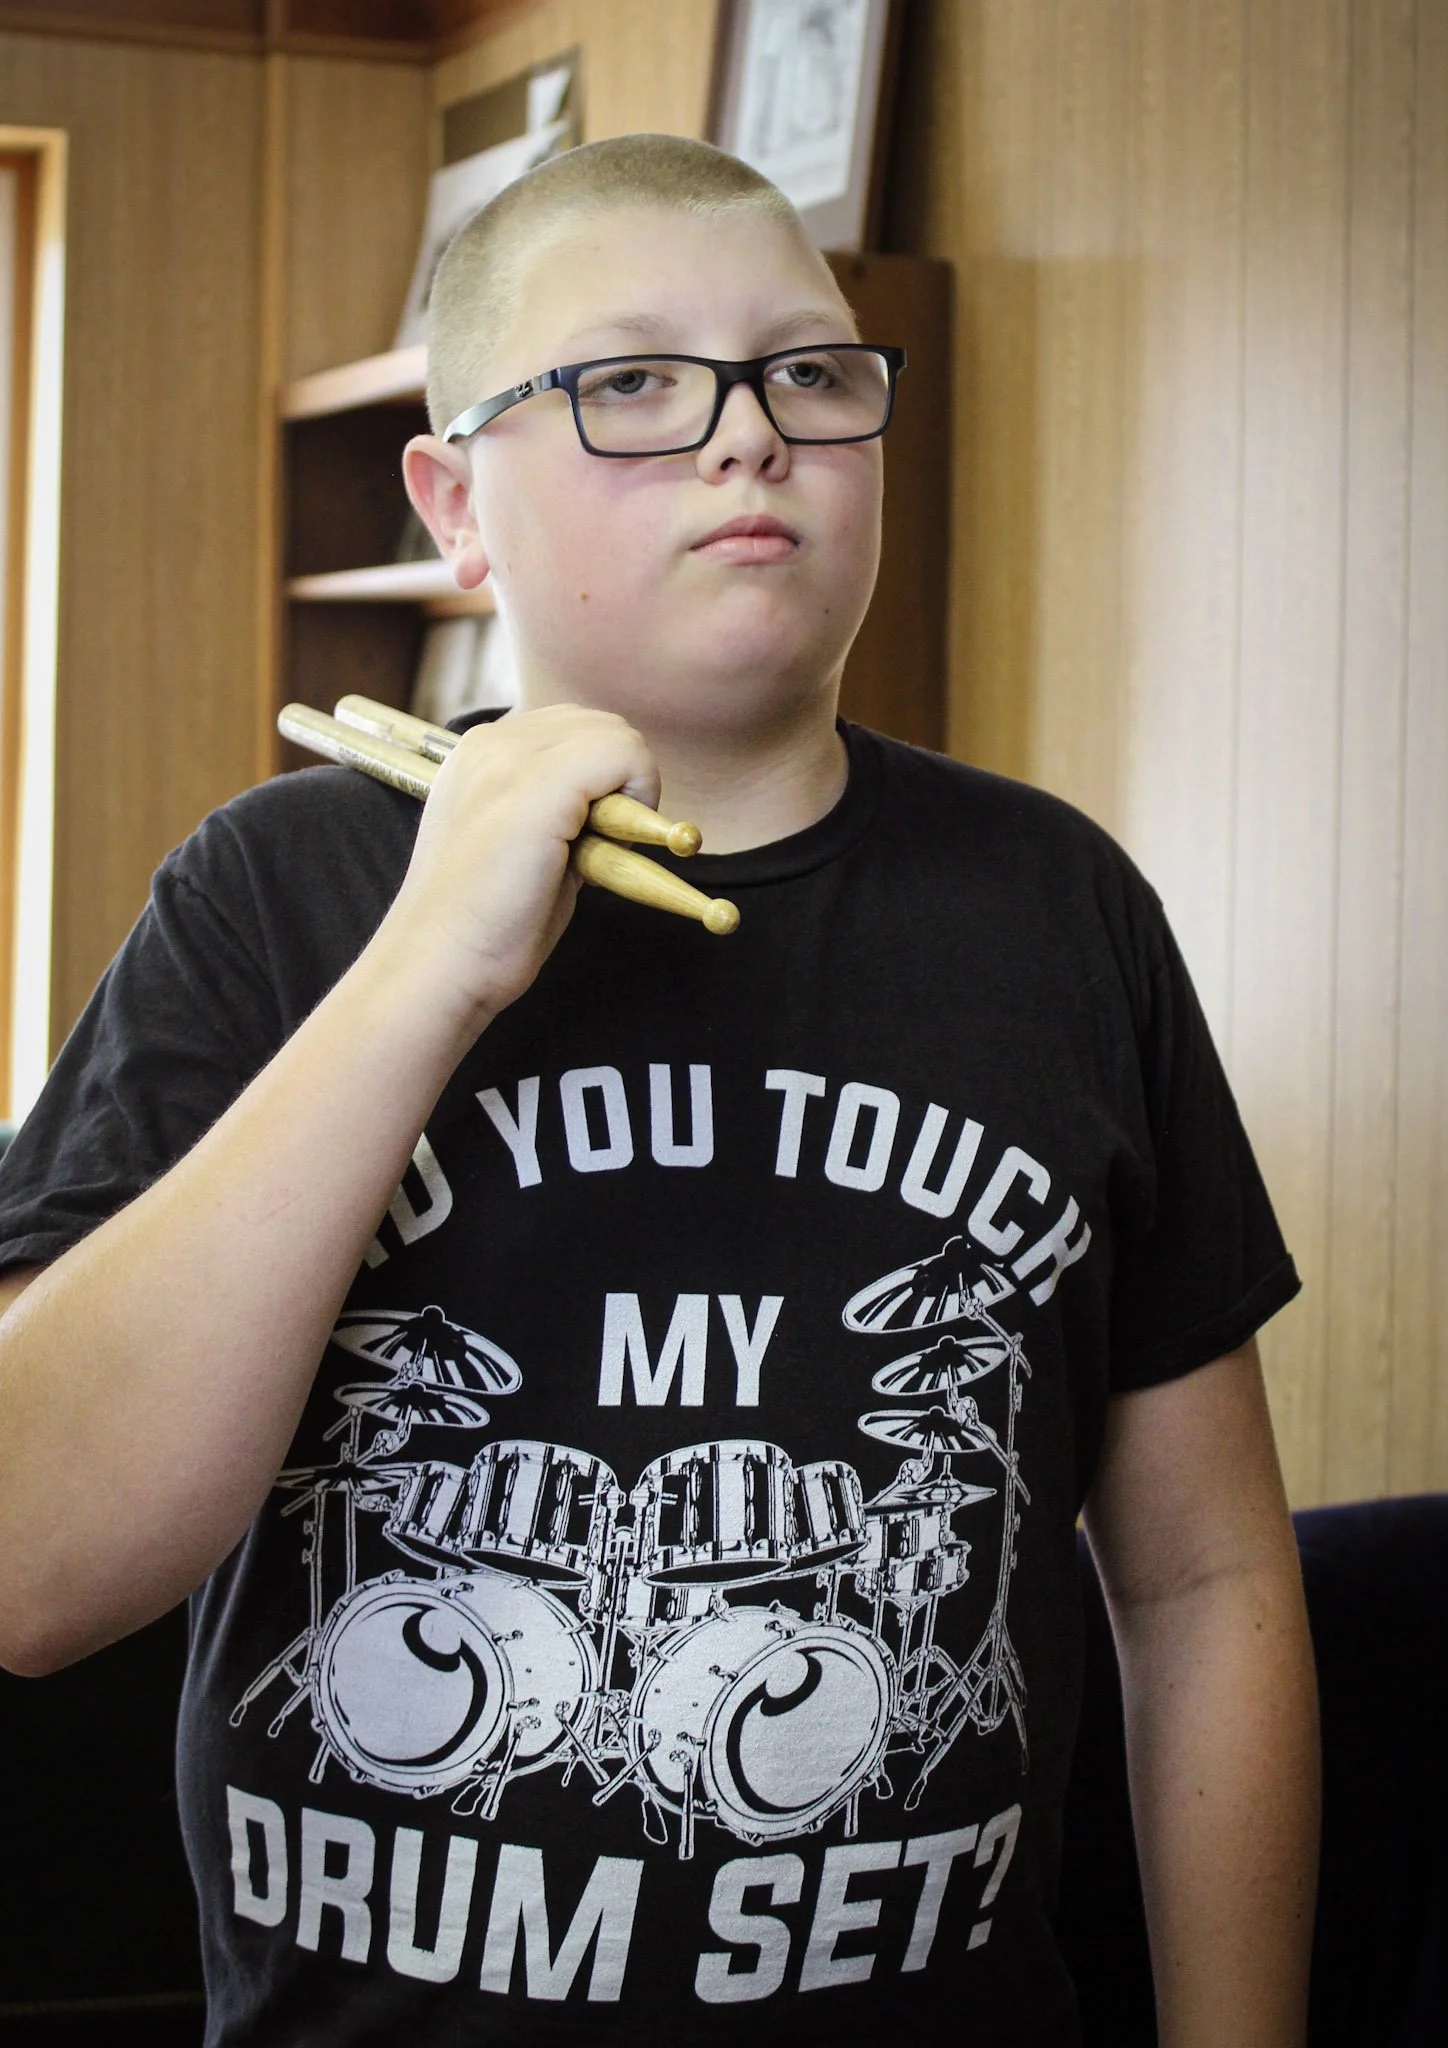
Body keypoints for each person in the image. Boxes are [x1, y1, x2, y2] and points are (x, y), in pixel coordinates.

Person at [0, 135, 1317, 2045]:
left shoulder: (1059, 909)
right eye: (626, 382)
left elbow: (1202, 1588)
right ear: (455, 502)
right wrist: (425, 966)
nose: (747, 436)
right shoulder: (279, 890)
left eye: (810, 370)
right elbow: (32, 1560)